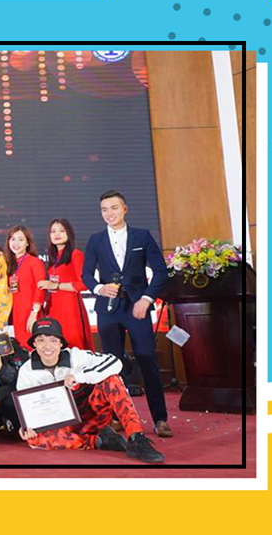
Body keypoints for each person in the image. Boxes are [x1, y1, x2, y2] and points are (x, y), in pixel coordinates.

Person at [82, 190, 172, 438]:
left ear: (124, 209)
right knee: (112, 364)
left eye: (113, 208)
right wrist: (99, 289)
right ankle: (117, 417)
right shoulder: (95, 240)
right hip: (108, 309)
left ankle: (160, 419)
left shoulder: (142, 236)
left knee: (146, 358)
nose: (109, 213)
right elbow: (86, 274)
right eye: (104, 210)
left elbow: (160, 271)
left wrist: (147, 298)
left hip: (137, 308)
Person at [16, 319, 165, 463]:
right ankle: (99, 440)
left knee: (112, 379)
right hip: (62, 423)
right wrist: (27, 427)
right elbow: (28, 408)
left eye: (53, 340)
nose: (47, 346)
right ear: (34, 344)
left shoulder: (77, 356)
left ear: (61, 343)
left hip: (93, 414)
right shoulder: (26, 371)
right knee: (34, 439)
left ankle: (136, 437)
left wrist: (79, 377)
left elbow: (115, 362)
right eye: (41, 340)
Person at [39, 219, 95, 351]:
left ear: (69, 233)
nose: (56, 234)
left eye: (61, 230)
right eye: (53, 231)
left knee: (73, 345)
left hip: (70, 307)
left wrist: (56, 286)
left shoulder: (75, 254)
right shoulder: (54, 258)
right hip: (54, 308)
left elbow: (83, 284)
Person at [5, 225, 46, 349]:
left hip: (30, 312)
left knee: (33, 345)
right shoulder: (9, 264)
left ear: (27, 242)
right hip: (15, 313)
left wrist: (34, 313)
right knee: (21, 347)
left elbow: (41, 288)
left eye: (21, 239)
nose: (16, 243)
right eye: (13, 239)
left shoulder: (34, 262)